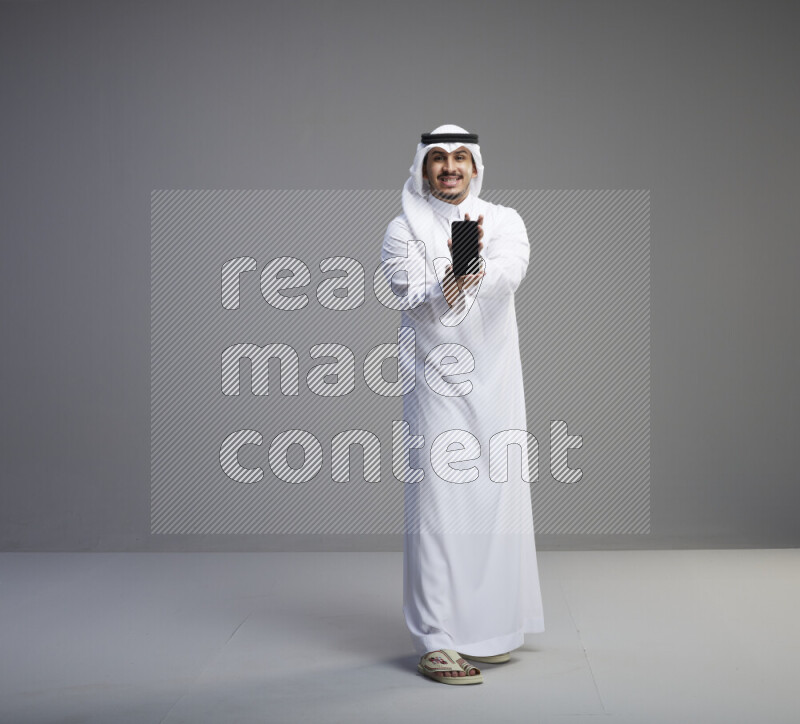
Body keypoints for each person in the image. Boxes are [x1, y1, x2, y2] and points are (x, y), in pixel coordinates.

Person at [380, 125, 545, 685]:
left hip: (495, 384)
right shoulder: (403, 227)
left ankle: (489, 629)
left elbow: (509, 272)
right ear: (423, 167)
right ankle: (437, 640)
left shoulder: (503, 220)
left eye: (459, 158)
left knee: (496, 504)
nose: (449, 167)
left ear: (474, 166)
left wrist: (470, 272)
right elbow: (404, 287)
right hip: (434, 387)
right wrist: (448, 280)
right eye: (438, 159)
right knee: (437, 507)